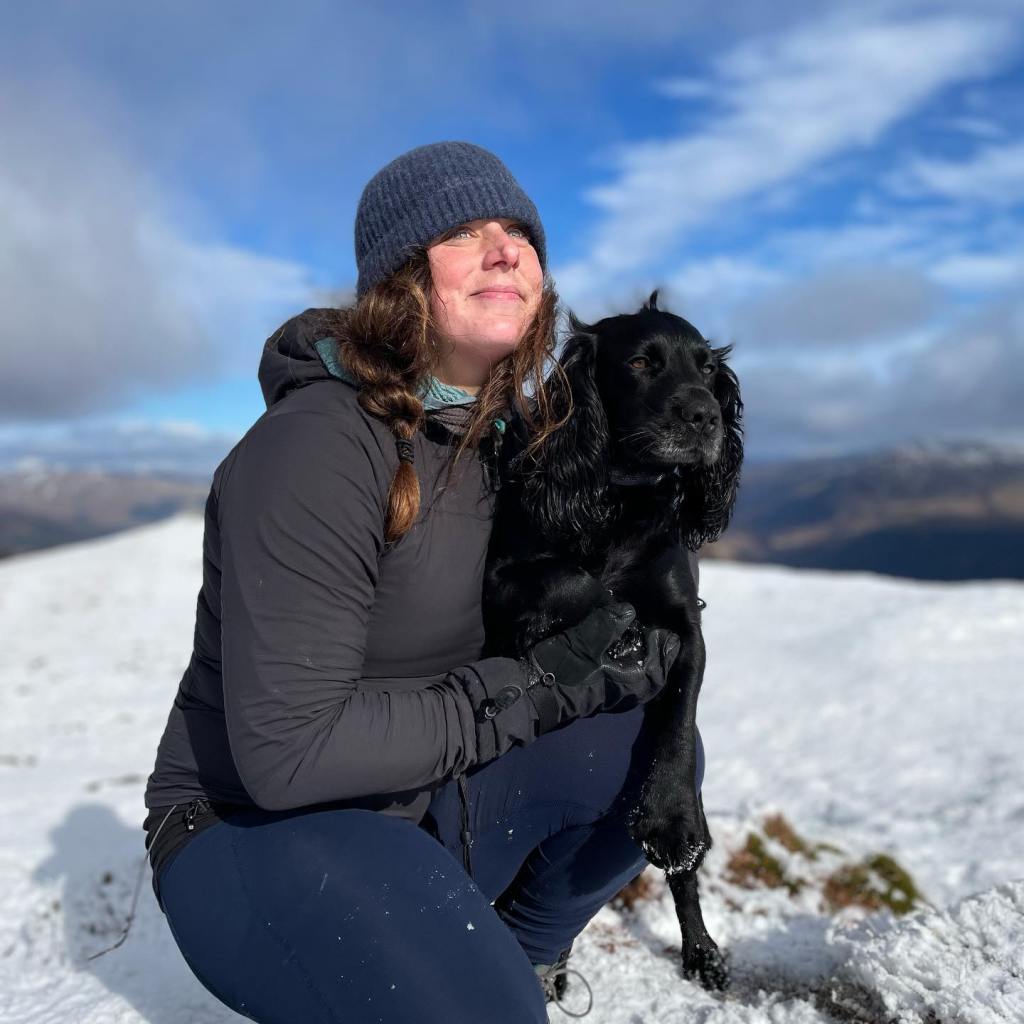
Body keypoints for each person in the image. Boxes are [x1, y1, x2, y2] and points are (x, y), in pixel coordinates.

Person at [142, 141, 697, 1022]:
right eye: (464, 231)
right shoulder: (319, 447)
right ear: (402, 276)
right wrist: (536, 688)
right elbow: (291, 755)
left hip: (418, 796)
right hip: (255, 825)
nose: (506, 247)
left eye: (520, 231)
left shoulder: (519, 443)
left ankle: (520, 956)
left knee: (652, 752)